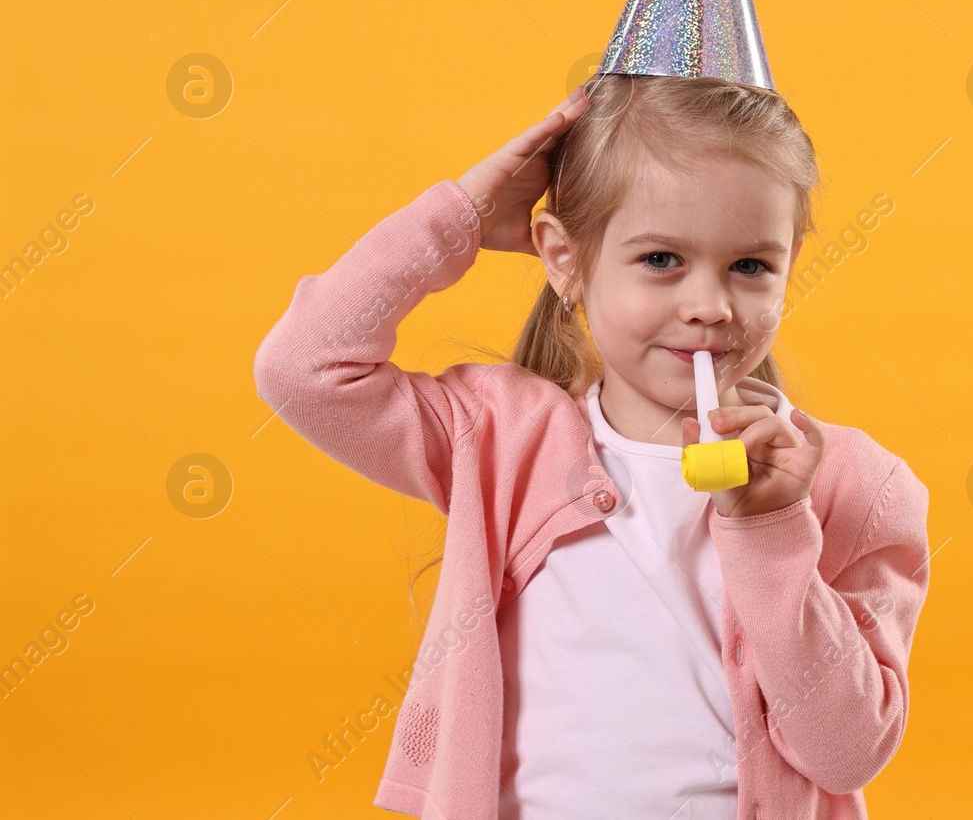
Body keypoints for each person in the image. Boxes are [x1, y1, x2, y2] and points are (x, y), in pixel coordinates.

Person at [253, 71, 933, 819]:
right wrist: (462, 215)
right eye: (661, 260)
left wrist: (771, 532)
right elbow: (301, 368)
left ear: (790, 262)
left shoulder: (858, 487)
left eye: (749, 265)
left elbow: (847, 751)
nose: (708, 306)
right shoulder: (498, 440)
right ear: (565, 259)